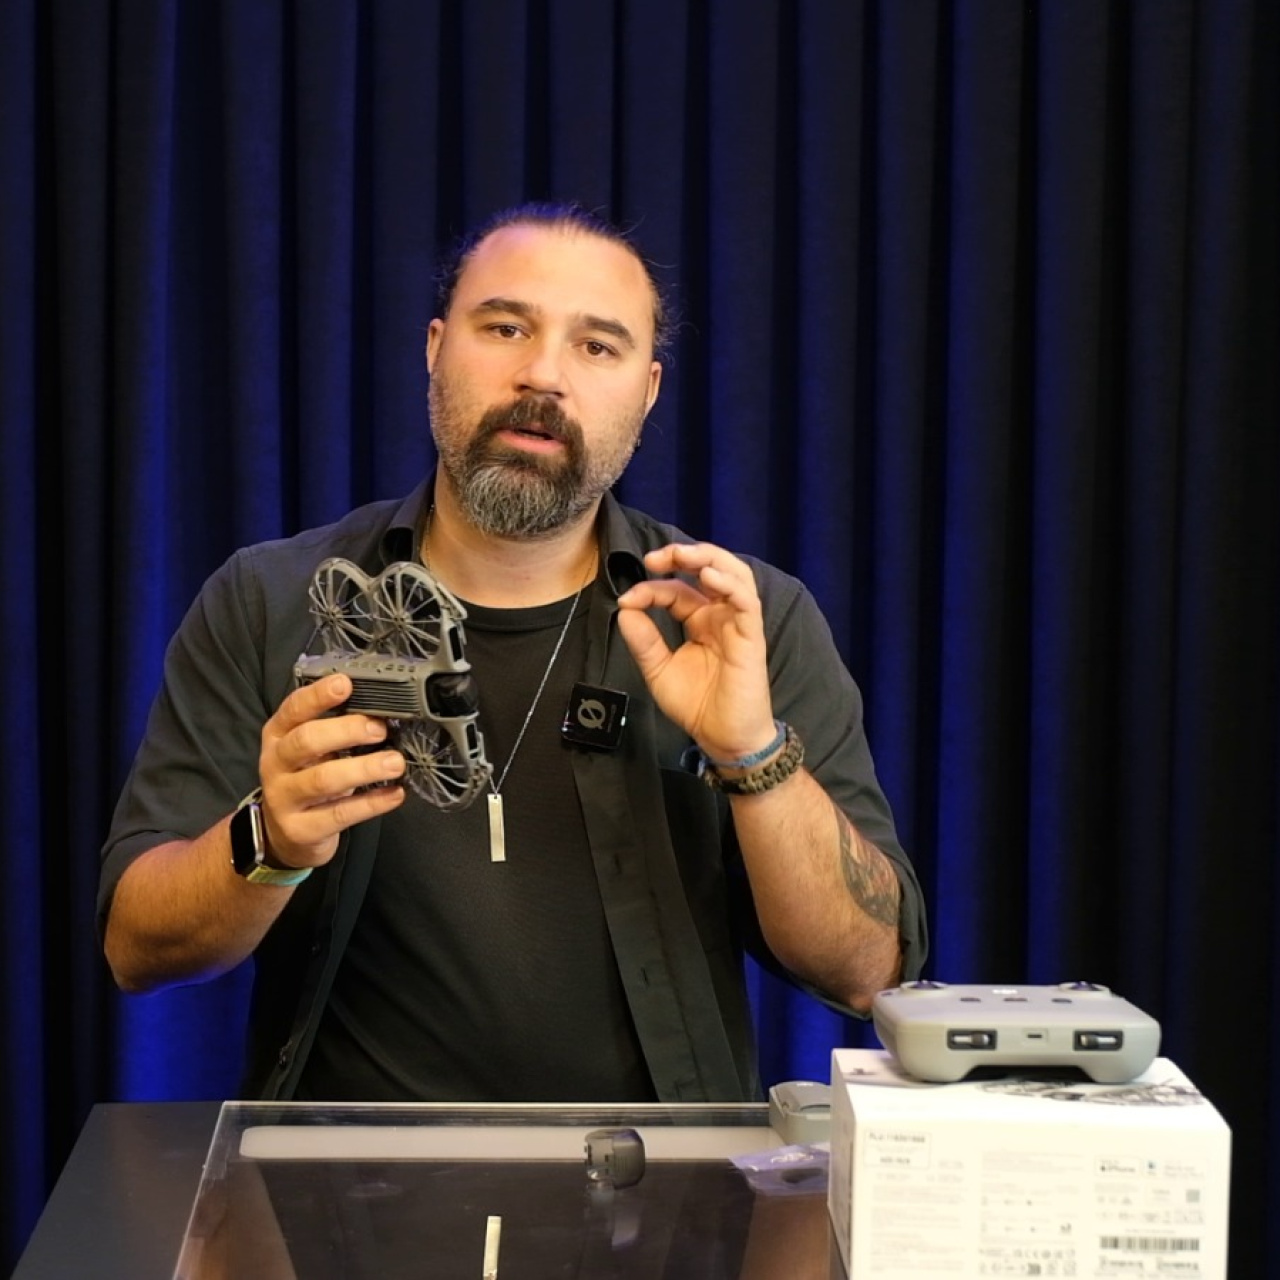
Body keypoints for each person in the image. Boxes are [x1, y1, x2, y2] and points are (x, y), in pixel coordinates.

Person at [100, 201, 927, 1103]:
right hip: (338, 1178)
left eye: (596, 347)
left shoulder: (739, 621)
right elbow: (137, 948)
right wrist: (271, 838)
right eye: (505, 328)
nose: (543, 375)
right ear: (434, 349)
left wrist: (752, 755)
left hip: (663, 1181)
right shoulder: (268, 600)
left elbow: (867, 971)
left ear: (647, 393)